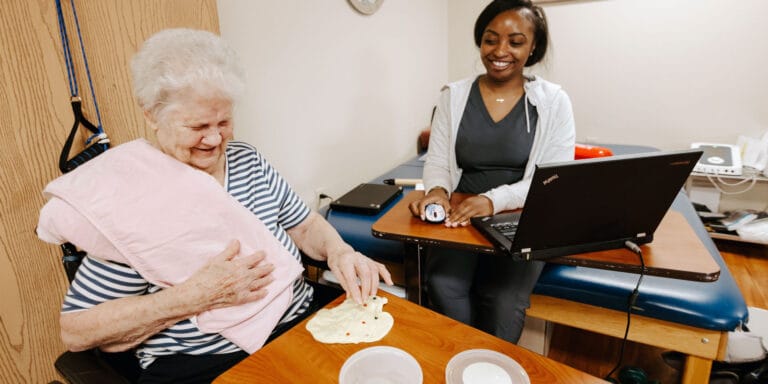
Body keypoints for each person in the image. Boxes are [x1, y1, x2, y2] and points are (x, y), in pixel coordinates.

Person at [54, 28, 393, 383]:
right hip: (208, 361)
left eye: (224, 122)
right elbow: (76, 331)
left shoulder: (247, 160)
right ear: (152, 116)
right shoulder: (131, 200)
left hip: (299, 325)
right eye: (198, 126)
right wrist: (193, 297)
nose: (215, 139)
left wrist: (339, 251)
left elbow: (305, 226)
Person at [409, 0, 575, 343]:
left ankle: (491, 364)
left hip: (526, 214)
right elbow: (437, 161)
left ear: (533, 48)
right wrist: (437, 191)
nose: (500, 51)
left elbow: (552, 180)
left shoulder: (554, 101)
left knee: (503, 299)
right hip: (461, 214)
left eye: (515, 42)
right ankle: (458, 358)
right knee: (443, 284)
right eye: (490, 39)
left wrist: (492, 201)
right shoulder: (453, 96)